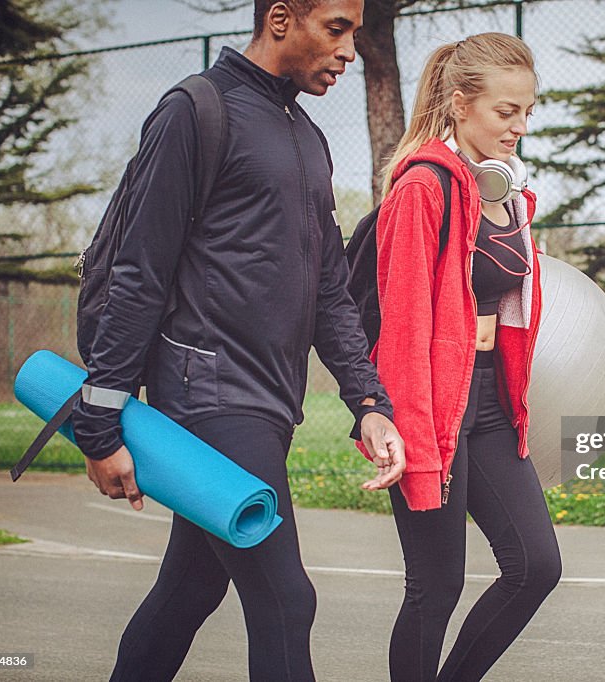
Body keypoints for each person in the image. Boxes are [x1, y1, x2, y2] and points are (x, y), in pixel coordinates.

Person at [69, 1, 405, 680]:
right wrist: (99, 419)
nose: (350, 50)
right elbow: (140, 272)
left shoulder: (307, 140)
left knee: (191, 587)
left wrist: (368, 401)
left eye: (355, 33)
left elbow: (329, 291)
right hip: (208, 395)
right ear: (281, 18)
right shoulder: (194, 110)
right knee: (286, 600)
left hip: (268, 401)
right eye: (337, 29)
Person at [360, 32, 562, 681]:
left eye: (528, 112)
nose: (520, 126)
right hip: (427, 401)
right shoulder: (422, 187)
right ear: (460, 103)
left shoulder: (507, 193)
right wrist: (406, 431)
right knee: (435, 586)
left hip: (488, 401)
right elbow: (404, 328)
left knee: (535, 565)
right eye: (507, 111)